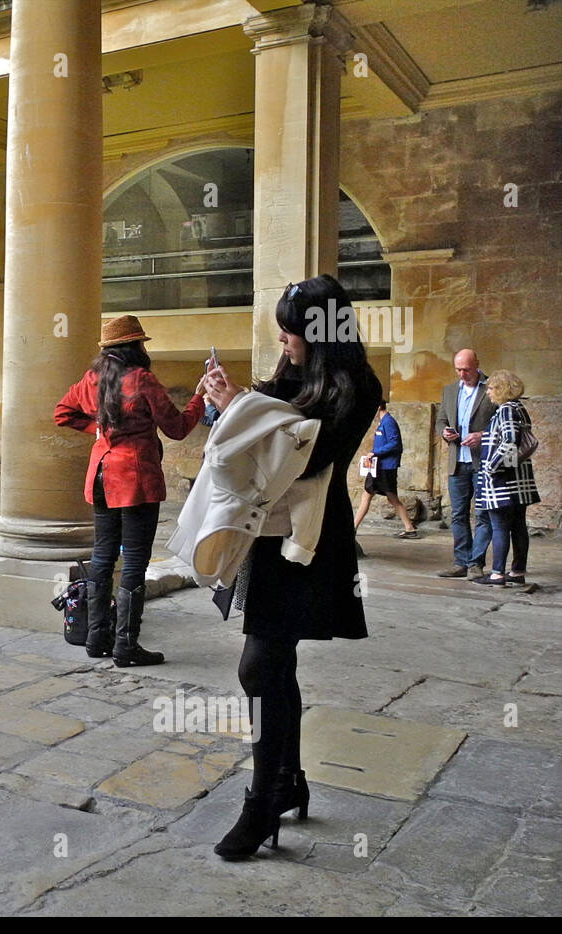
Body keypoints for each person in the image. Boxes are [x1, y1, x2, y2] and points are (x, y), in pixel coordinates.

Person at [202, 275, 382, 860]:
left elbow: (306, 457)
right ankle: (287, 780)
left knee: (259, 666)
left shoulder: (356, 385)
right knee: (276, 665)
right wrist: (225, 404)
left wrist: (238, 410)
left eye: (292, 335)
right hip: (269, 534)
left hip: (307, 542)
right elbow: (257, 430)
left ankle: (262, 801)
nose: (284, 345)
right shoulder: (294, 373)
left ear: (322, 334)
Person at [55, 315, 206, 665]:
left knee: (103, 557)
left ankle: (95, 639)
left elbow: (62, 412)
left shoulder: (91, 379)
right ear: (135, 345)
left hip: (101, 475)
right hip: (135, 480)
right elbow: (179, 428)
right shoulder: (142, 380)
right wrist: (198, 398)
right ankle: (125, 646)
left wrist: (101, 427)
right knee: (135, 560)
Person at [472, 371, 539, 586]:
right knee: (518, 525)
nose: (488, 393)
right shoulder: (519, 408)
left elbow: (510, 441)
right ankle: (517, 572)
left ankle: (497, 573)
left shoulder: (507, 410)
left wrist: (492, 466)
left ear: (501, 389)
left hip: (503, 481)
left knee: (499, 526)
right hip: (517, 480)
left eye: (491, 388)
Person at [436, 350, 494, 579]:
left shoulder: (492, 388)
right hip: (457, 462)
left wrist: (482, 435)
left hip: (482, 462)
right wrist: (444, 432)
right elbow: (441, 419)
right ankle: (460, 561)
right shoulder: (449, 391)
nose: (462, 374)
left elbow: (504, 422)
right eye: (458, 369)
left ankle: (476, 563)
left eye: (467, 369)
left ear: (477, 365)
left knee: (482, 515)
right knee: (458, 515)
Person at [353, 401, 418, 539]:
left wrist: (376, 452)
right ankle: (409, 528)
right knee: (384, 497)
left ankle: (352, 528)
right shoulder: (383, 422)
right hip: (380, 466)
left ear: (378, 407)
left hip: (385, 467)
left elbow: (395, 443)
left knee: (381, 497)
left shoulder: (388, 422)